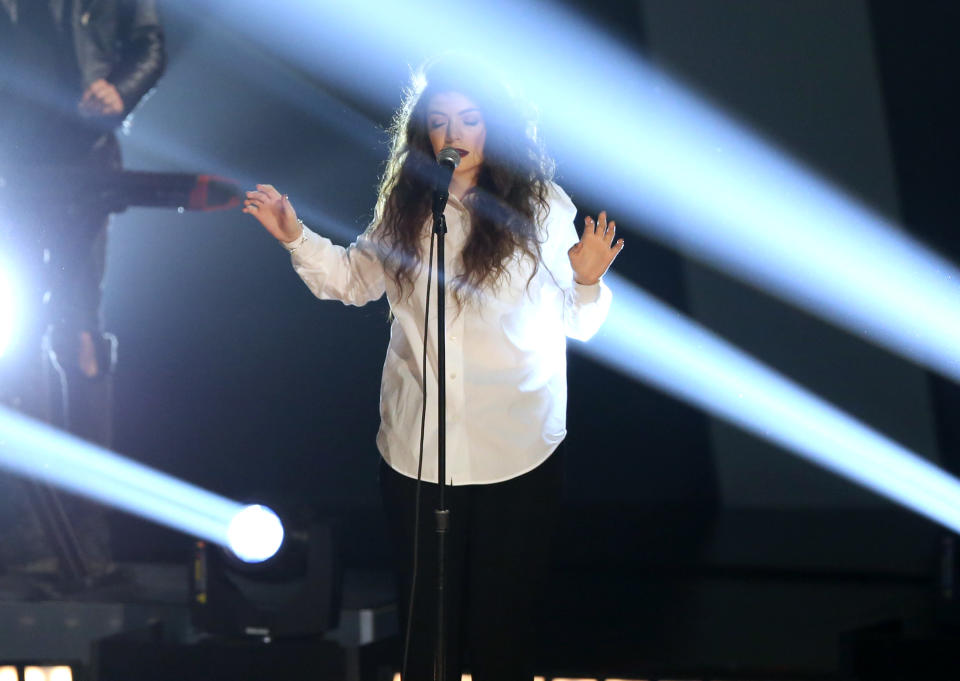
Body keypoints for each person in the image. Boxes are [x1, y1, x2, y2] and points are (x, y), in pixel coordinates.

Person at [244, 56, 623, 681]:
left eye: (470, 120)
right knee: (426, 637)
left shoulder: (544, 206)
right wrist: (295, 235)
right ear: (423, 133)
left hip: (515, 448)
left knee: (501, 636)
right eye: (441, 121)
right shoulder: (409, 204)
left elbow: (578, 322)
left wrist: (585, 280)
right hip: (417, 449)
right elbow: (352, 280)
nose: (455, 133)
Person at [0, 0, 165, 578]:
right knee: (16, 338)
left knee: (77, 334)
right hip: (12, 157)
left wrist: (120, 90)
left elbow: (149, 44)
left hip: (84, 154)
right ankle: (31, 526)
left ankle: (85, 530)